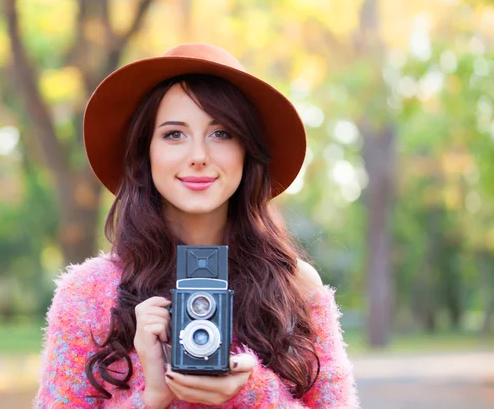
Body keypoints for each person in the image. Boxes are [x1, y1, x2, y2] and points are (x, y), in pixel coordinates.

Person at [34, 43, 358, 408]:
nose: (199, 156)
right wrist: (151, 396)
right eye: (174, 134)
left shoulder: (295, 287)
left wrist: (253, 391)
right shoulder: (88, 294)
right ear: (146, 152)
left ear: (247, 151)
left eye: (222, 133)